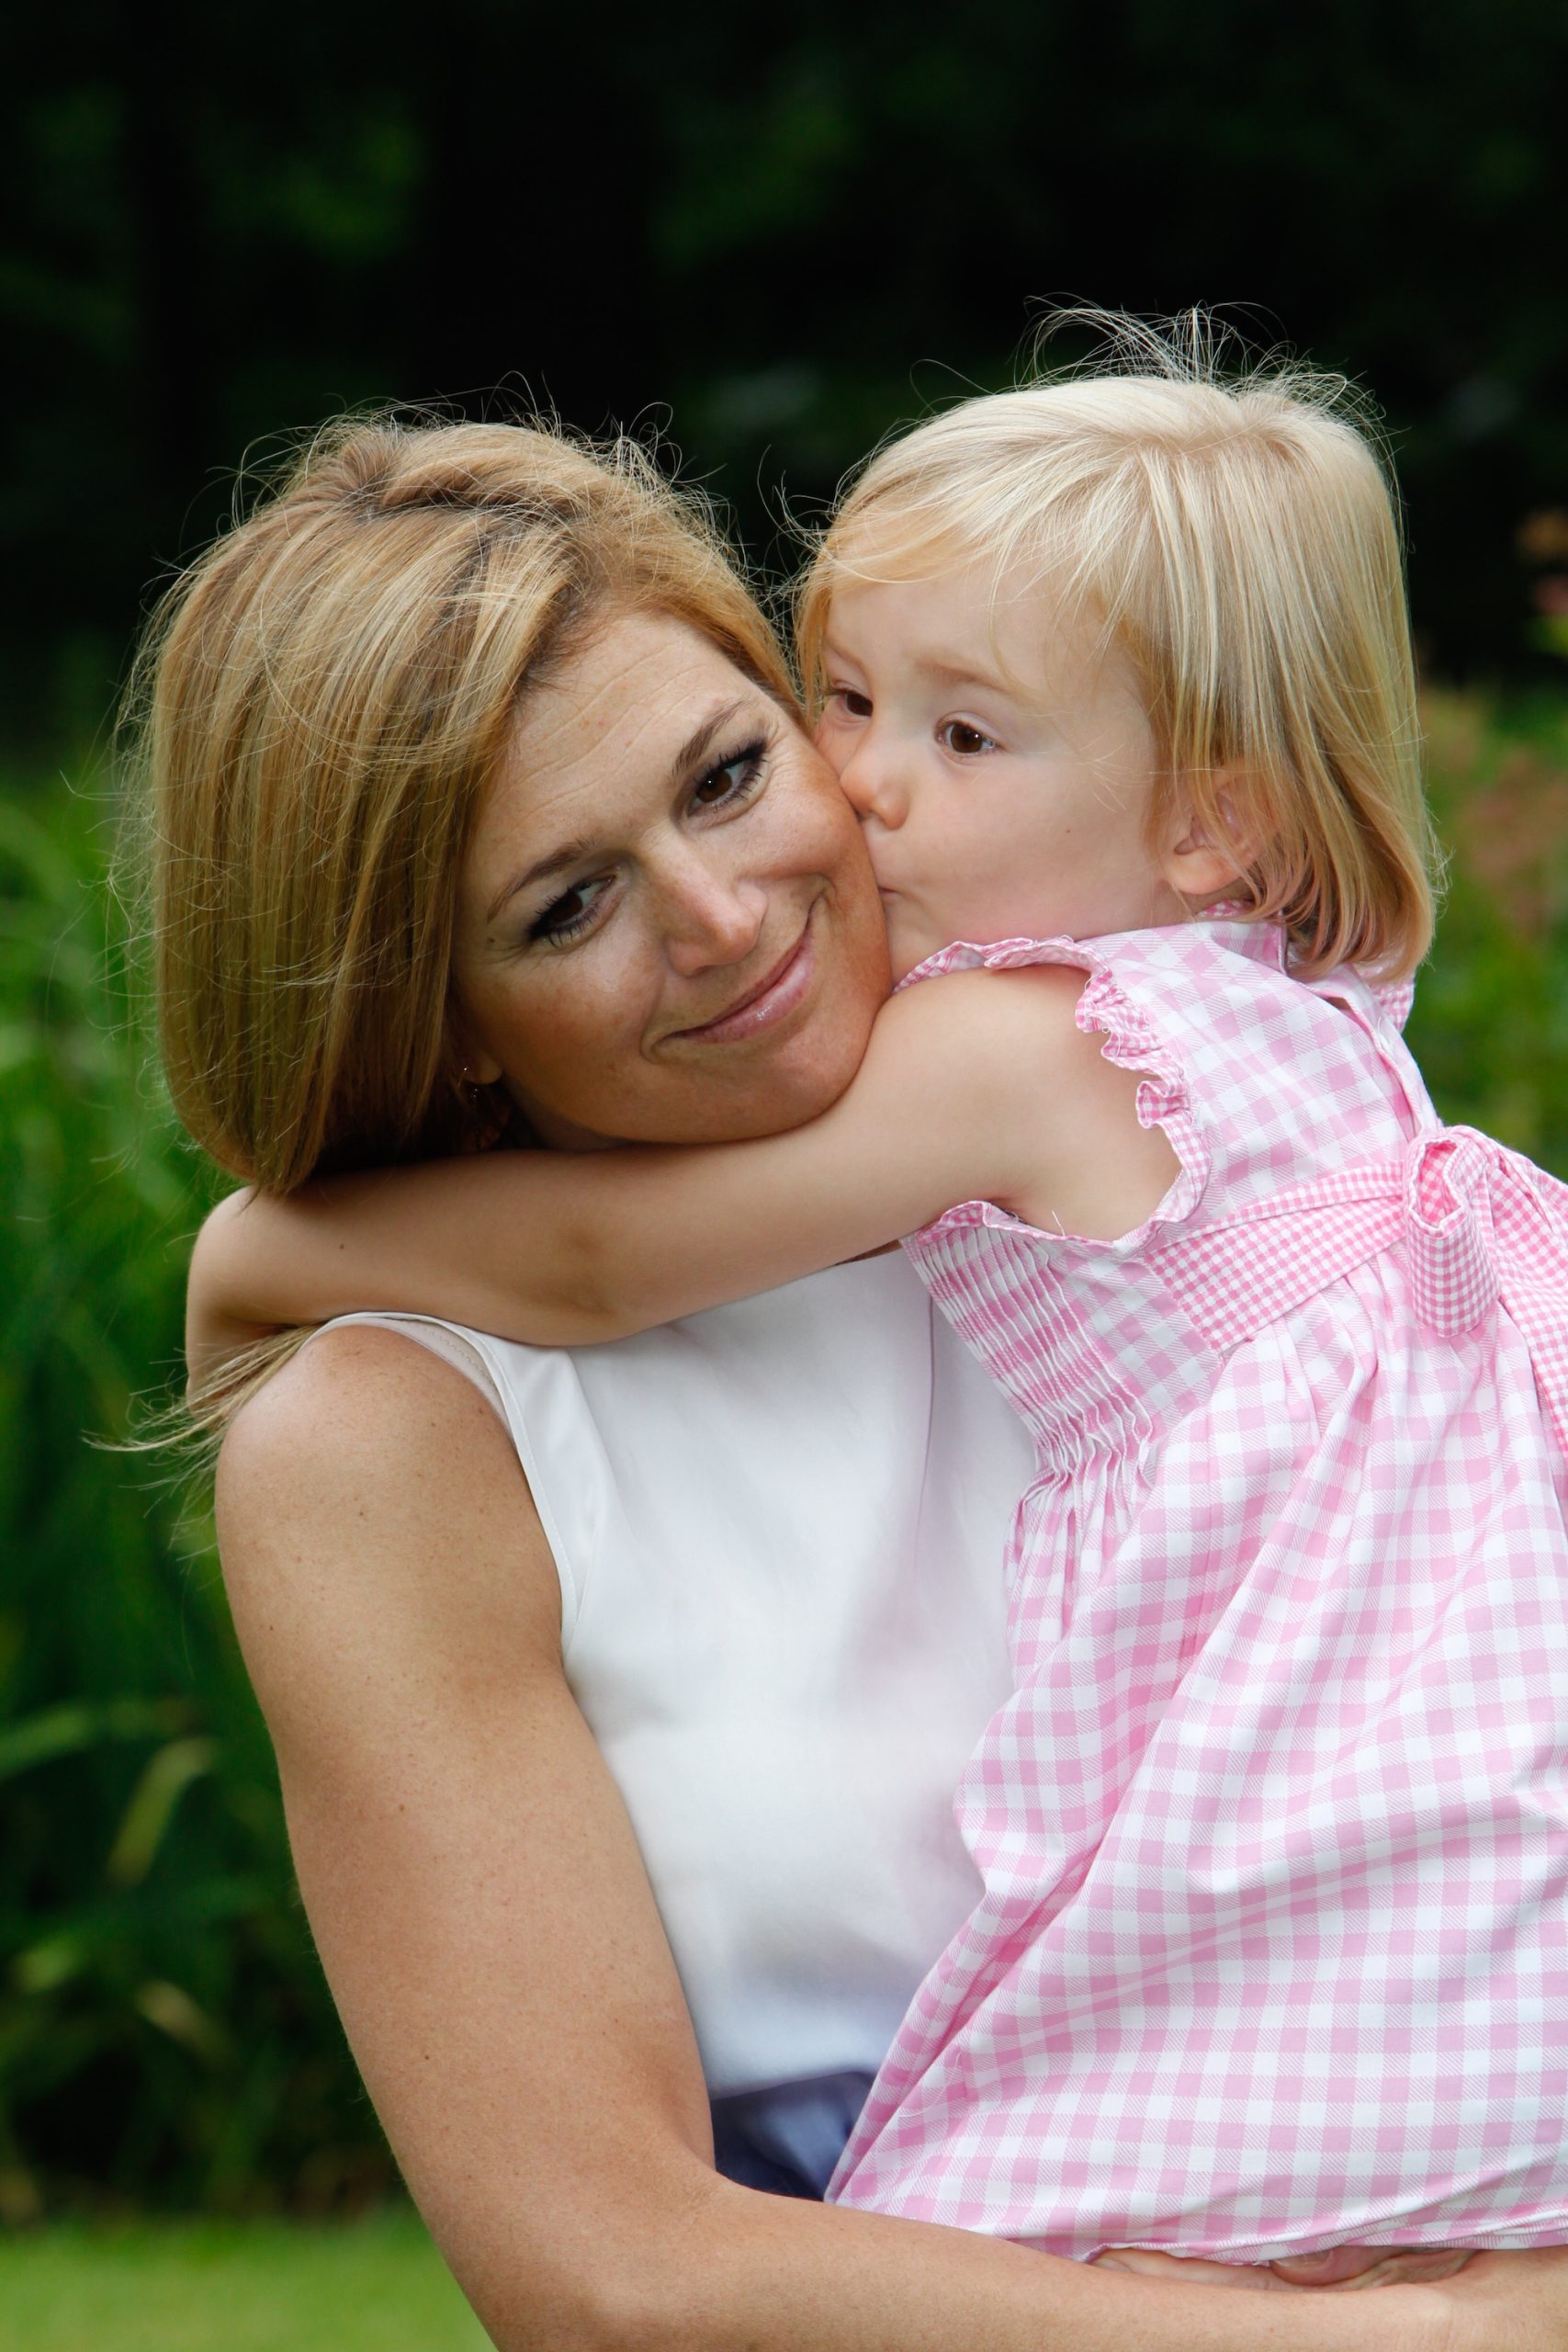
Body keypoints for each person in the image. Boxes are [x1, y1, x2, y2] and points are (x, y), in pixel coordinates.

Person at [188, 345, 1568, 2281]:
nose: (730, 913)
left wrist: (250, 1242)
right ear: (435, 1018)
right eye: (564, 904)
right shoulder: (403, 1430)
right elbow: (618, 2280)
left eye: (735, 769)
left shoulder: (1107, 1184)